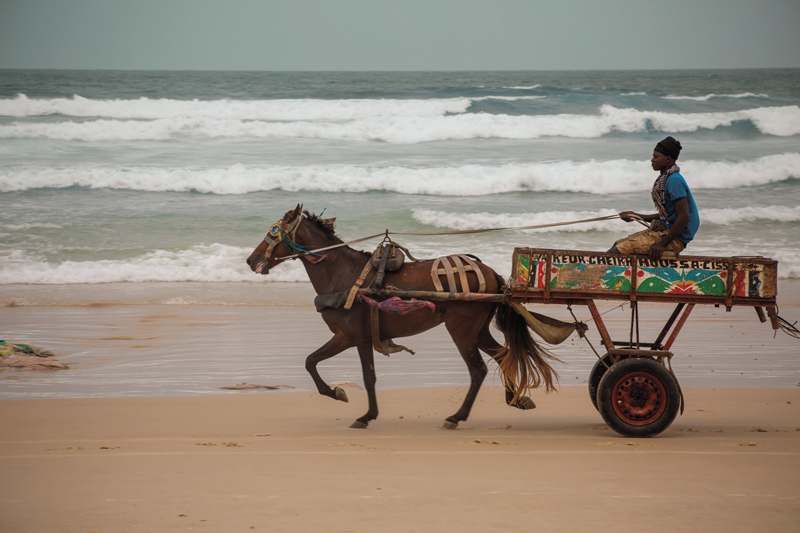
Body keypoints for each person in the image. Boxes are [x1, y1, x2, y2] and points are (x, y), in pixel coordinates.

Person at [609, 136, 700, 261]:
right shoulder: (667, 178)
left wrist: (661, 244)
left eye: (656, 157)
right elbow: (668, 215)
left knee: (618, 251)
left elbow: (684, 217)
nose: (652, 160)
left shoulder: (674, 181)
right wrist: (635, 215)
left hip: (675, 239)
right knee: (617, 244)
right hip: (668, 233)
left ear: (667, 159)